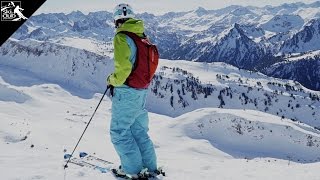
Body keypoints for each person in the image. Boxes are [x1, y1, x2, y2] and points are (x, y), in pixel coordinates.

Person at [106, 3, 158, 178]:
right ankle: (151, 168)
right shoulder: (141, 36)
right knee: (138, 131)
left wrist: (111, 80)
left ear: (116, 21)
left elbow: (122, 70)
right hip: (141, 92)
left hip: (127, 92)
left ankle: (132, 171)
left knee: (119, 132)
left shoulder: (121, 37)